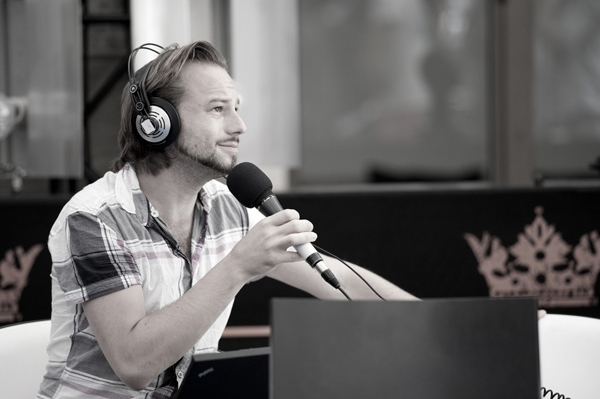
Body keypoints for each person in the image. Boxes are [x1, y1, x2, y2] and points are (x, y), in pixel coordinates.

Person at [37, 40, 416, 399]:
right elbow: (134, 364)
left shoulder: (230, 208)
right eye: (218, 109)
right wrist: (238, 266)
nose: (239, 126)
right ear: (157, 122)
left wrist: (434, 325)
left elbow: (341, 281)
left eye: (237, 108)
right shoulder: (94, 218)